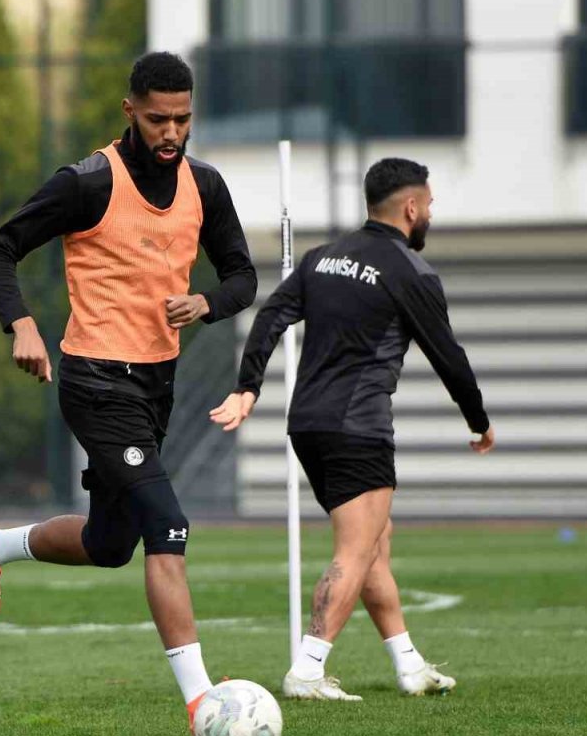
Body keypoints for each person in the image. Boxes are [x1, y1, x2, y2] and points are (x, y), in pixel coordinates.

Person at [0, 52, 257, 723]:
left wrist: (206, 303)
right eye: (157, 119)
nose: (171, 132)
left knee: (109, 545)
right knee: (168, 525)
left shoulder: (205, 186)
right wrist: (22, 325)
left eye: (182, 119)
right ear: (130, 111)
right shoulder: (88, 182)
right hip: (95, 379)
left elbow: (243, 277)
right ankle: (202, 704)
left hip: (156, 383)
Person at [209, 158, 495, 700]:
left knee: (374, 546)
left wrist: (248, 387)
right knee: (356, 551)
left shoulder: (322, 259)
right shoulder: (410, 271)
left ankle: (409, 665)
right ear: (411, 207)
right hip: (359, 426)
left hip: (307, 425)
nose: (430, 214)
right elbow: (448, 356)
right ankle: (308, 670)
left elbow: (270, 317)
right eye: (429, 205)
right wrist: (477, 420)